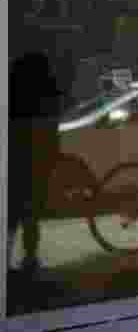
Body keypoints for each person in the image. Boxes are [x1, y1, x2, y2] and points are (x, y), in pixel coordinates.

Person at [7, 52, 64, 274]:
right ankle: (30, 258)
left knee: (11, 213)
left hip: (15, 159)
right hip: (37, 162)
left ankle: (8, 258)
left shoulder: (12, 94)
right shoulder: (48, 96)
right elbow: (52, 133)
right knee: (31, 214)